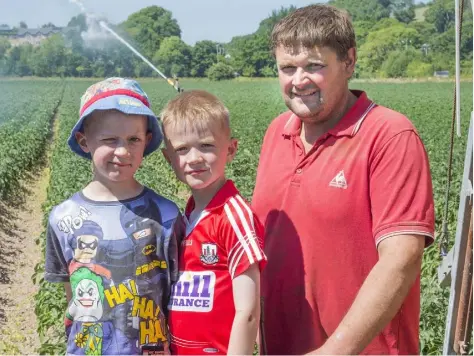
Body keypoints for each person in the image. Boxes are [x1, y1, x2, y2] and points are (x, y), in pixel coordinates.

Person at [251, 4, 435, 355]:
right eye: (287, 68)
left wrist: (334, 351)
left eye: (314, 66)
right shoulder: (277, 133)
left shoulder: (389, 135)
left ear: (349, 61)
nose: (298, 80)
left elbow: (402, 258)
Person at [44, 77, 181, 355]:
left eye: (133, 140)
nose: (122, 151)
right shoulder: (63, 218)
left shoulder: (166, 215)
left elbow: (174, 295)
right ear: (84, 141)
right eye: (109, 140)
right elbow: (72, 296)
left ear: (147, 141)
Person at [160, 90, 267, 355]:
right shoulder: (184, 216)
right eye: (182, 149)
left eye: (206, 145)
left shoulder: (233, 216)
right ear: (168, 158)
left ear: (230, 150)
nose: (194, 157)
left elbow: (249, 312)